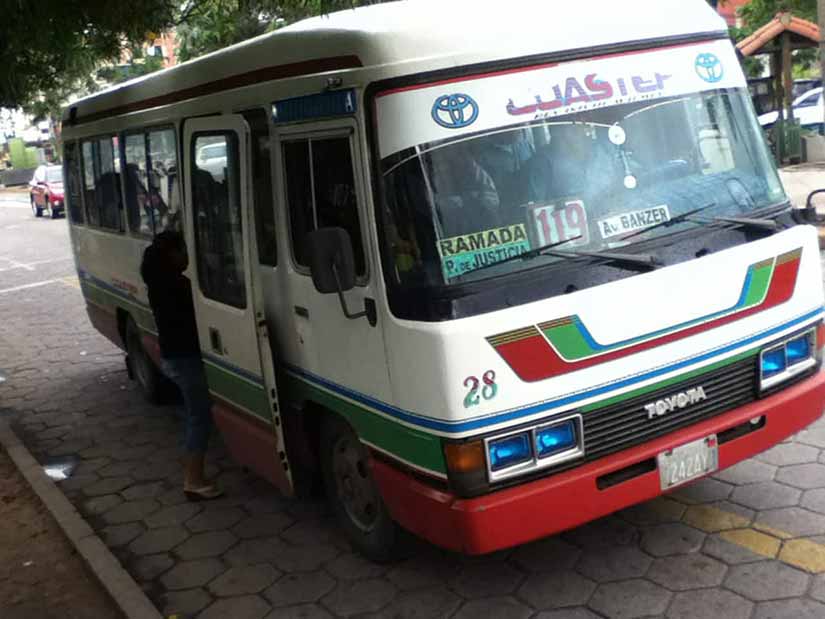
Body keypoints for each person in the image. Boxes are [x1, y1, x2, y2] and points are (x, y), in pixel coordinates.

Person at [140, 231, 223, 501]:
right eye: (183, 250)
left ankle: (193, 472)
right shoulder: (179, 287)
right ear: (171, 255)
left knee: (195, 414)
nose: (187, 255)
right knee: (199, 417)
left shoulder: (159, 284)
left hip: (173, 357)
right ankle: (193, 480)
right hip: (185, 358)